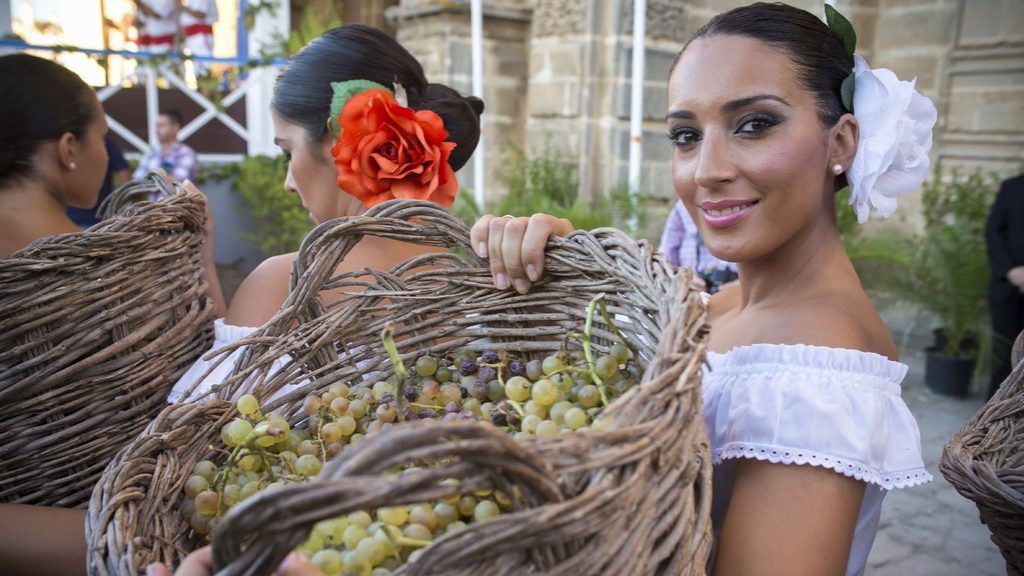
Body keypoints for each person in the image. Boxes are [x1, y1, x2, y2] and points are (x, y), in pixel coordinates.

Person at [472, 3, 934, 575]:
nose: (706, 170)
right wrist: (563, 266)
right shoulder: (724, 304)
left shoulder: (816, 369)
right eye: (686, 136)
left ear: (840, 142)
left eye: (755, 123)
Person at [167, 23, 483, 403]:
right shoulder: (462, 274)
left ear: (337, 138)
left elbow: (201, 430)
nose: (288, 182)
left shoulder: (285, 283)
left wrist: (200, 261)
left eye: (288, 152)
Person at [0, 53, 225, 576]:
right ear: (69, 149)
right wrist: (202, 255)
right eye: (102, 137)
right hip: (170, 541)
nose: (107, 152)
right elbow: (220, 382)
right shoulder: (138, 267)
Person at [985, 173, 1024, 398]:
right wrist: (1012, 271)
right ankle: (993, 415)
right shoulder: (1011, 187)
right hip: (1006, 288)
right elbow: (993, 232)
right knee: (1002, 356)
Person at [660, 198, 737, 292]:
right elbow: (665, 261)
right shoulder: (683, 206)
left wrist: (744, 284)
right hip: (694, 290)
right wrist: (681, 279)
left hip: (741, 288)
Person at [66, 134, 132, 229]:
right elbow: (126, 178)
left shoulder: (63, 143)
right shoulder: (104, 142)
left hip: (75, 220)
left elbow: (126, 178)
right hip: (101, 220)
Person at [133, 109, 199, 187]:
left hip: (178, 199)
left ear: (175, 127)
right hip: (153, 199)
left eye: (162, 125)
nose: (157, 130)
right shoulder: (151, 153)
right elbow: (136, 180)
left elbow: (177, 181)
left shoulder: (186, 153)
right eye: (157, 126)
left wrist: (151, 179)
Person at [179, 0, 218, 77]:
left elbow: (201, 14)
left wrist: (183, 7)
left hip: (201, 35)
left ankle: (205, 87)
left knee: (203, 67)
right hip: (193, 35)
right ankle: (201, 86)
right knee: (196, 67)